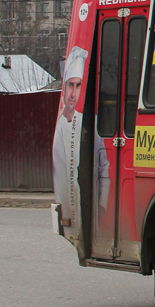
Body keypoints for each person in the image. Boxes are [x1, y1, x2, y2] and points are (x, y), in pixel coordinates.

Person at [52, 46, 110, 236]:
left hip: (91, 208)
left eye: (78, 85)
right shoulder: (59, 128)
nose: (73, 93)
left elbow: (104, 167)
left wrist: (101, 205)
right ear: (64, 86)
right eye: (70, 85)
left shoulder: (90, 124)